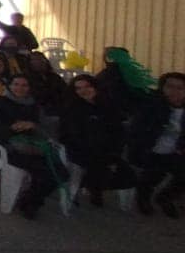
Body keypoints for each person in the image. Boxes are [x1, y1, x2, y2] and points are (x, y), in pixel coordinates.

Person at [0, 75, 68, 219]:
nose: (19, 88)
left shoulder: (35, 106)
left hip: (36, 146)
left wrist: (33, 126)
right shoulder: (1, 102)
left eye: (24, 85)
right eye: (16, 84)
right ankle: (31, 203)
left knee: (61, 172)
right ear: (10, 86)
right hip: (12, 147)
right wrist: (13, 128)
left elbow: (46, 131)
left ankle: (29, 199)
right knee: (42, 172)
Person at [58, 74, 134, 207]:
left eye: (87, 86)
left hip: (106, 150)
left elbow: (118, 132)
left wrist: (113, 151)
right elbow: (69, 135)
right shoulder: (72, 108)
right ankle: (87, 188)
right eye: (79, 88)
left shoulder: (108, 106)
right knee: (92, 166)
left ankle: (94, 187)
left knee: (126, 174)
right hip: (80, 150)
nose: (84, 91)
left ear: (95, 87)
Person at [130, 72, 185, 218]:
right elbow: (137, 129)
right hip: (153, 150)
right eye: (170, 87)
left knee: (182, 177)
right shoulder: (152, 105)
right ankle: (143, 199)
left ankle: (165, 197)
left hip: (177, 151)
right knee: (151, 178)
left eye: (180, 88)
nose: (175, 91)